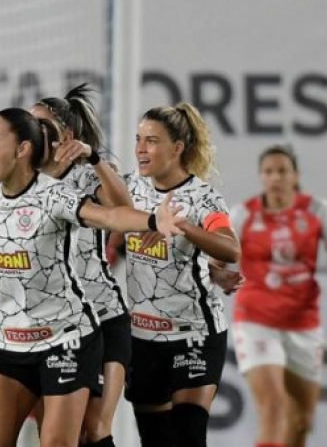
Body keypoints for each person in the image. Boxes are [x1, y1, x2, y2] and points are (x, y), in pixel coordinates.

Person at [0, 108, 182, 447]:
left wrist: (153, 221)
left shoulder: (54, 194)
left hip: (64, 337)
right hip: (7, 339)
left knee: (82, 435)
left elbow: (110, 215)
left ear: (23, 148)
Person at [228, 144, 327, 447]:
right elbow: (219, 255)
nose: (276, 178)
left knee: (301, 420)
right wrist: (215, 273)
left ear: (295, 176)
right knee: (273, 406)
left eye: (282, 171)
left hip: (303, 322)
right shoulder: (243, 215)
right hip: (255, 318)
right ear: (261, 177)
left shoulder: (317, 210)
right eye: (269, 171)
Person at [124, 103, 240, 447]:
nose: (141, 149)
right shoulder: (130, 189)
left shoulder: (204, 198)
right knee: (156, 440)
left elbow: (231, 250)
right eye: (138, 139)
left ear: (177, 149)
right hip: (142, 335)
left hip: (195, 333)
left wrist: (185, 227)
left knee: (188, 434)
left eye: (152, 141)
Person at [31, 85, 132, 447]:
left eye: (41, 124)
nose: (32, 130)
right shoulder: (18, 177)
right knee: (56, 434)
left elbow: (126, 210)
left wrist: (93, 158)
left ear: (66, 135)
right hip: (47, 323)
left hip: (102, 316)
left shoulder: (87, 174)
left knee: (94, 427)